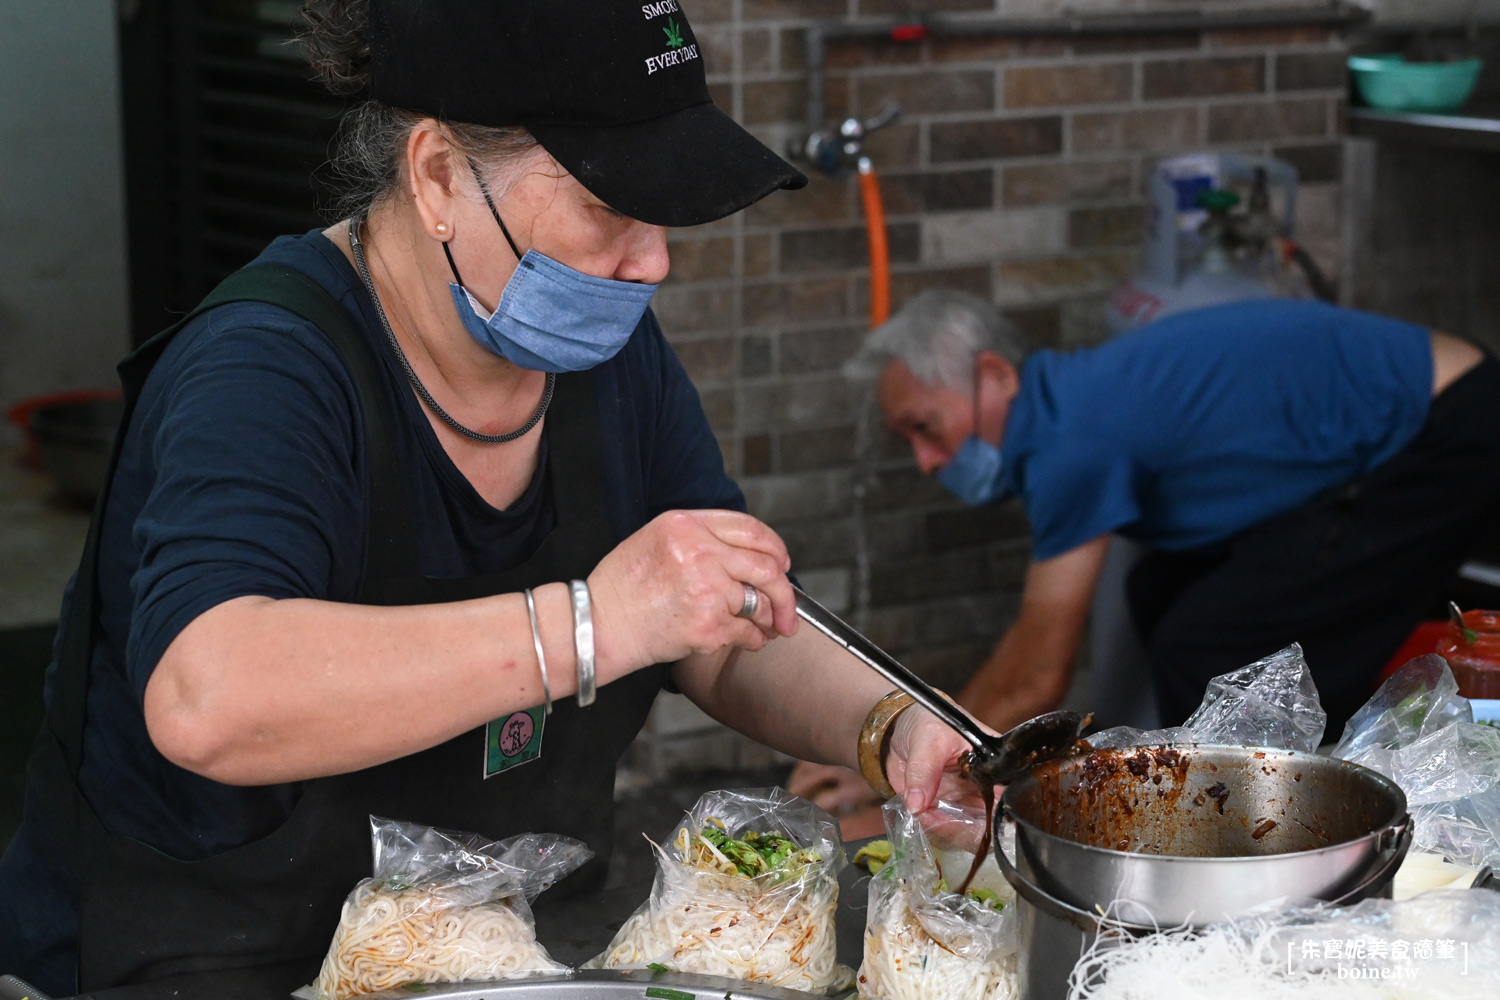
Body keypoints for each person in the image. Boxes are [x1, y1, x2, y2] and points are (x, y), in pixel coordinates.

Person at [0, 2, 976, 992]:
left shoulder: (611, 357)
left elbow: (717, 625)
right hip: (193, 965)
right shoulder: (266, 368)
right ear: (435, 177)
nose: (653, 261)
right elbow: (207, 695)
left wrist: (892, 724)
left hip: (478, 963)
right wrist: (591, 625)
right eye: (609, 206)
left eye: (662, 211)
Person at [794, 289, 1500, 820]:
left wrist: (898, 772)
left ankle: (1301, 827)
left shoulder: (1069, 440)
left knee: (1209, 640)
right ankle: (1237, 810)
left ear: (994, 375)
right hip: (1409, 427)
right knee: (1159, 593)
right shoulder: (1070, 402)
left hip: (1446, 428)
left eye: (928, 428)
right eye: (908, 442)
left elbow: (1036, 671)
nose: (925, 462)